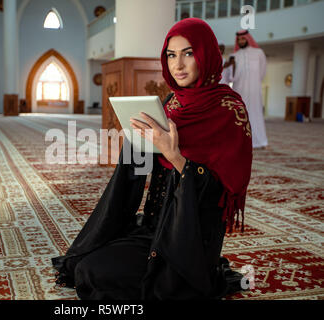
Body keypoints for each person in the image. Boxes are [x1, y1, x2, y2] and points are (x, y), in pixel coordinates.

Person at [52, 18, 253, 300]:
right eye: (171, 55)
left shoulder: (229, 109)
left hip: (191, 237)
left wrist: (174, 155)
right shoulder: (173, 103)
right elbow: (142, 166)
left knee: (96, 274)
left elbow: (220, 193)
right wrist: (138, 141)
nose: (178, 65)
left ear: (206, 55)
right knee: (85, 263)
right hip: (154, 226)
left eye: (188, 53)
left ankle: (195, 275)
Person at [228, 30, 268, 149]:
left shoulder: (259, 53)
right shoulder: (233, 56)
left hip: (255, 91)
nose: (241, 41)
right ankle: (239, 141)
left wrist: (254, 82)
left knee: (255, 114)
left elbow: (263, 71)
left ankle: (260, 141)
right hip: (239, 90)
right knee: (240, 114)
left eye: (243, 39)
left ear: (248, 39)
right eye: (239, 40)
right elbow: (231, 76)